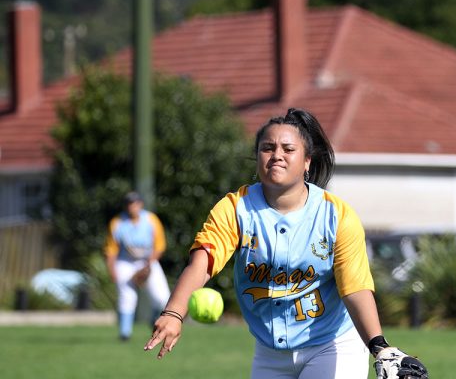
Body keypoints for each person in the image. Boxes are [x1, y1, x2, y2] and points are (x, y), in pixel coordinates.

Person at [144, 108, 428, 378]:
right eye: (267, 148)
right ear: (257, 158)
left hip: (331, 344)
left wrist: (378, 345)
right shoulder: (236, 208)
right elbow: (203, 261)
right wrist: (174, 312)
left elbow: (354, 288)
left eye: (288, 149)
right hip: (270, 352)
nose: (276, 155)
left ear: (307, 162)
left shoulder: (336, 215)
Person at [105, 191, 171, 341]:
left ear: (140, 204)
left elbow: (160, 246)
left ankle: (153, 318)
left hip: (148, 260)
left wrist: (148, 264)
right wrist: (112, 269)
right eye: (129, 203)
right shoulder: (117, 222)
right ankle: (124, 333)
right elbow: (111, 250)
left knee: (163, 298)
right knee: (127, 297)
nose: (132, 206)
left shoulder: (151, 219)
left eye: (134, 203)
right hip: (125, 262)